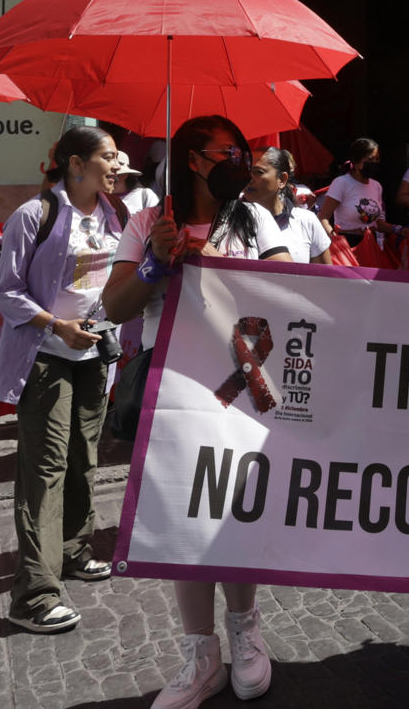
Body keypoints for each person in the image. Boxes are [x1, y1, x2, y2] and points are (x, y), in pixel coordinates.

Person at [103, 116, 293, 705]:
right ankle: (200, 652)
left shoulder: (253, 217)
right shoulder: (146, 220)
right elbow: (115, 304)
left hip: (241, 379)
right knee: (185, 515)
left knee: (236, 506)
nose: (238, 159)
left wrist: (216, 261)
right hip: (175, 385)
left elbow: (289, 281)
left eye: (243, 149)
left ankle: (246, 631)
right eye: (225, 151)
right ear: (192, 159)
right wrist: (158, 263)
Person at [0, 126, 126, 635]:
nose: (115, 167)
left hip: (94, 354)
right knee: (44, 468)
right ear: (75, 164)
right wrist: (57, 326)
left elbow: (121, 278)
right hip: (44, 356)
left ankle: (73, 550)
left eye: (117, 160)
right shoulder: (35, 215)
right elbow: (7, 294)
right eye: (107, 158)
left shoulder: (116, 215)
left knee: (82, 458)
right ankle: (34, 595)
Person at [247, 145, 333, 264]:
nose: (248, 178)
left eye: (258, 172)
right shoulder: (227, 221)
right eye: (245, 171)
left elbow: (325, 277)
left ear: (282, 179)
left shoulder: (307, 221)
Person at [319, 138, 389, 247]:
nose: (375, 163)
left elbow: (377, 223)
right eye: (370, 160)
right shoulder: (341, 183)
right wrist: (336, 240)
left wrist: (398, 229)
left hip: (370, 245)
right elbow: (323, 218)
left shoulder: (377, 186)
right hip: (347, 245)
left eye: (377, 159)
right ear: (357, 163)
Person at [115, 148, 161, 217]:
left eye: (114, 174)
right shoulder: (98, 198)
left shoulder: (144, 195)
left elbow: (155, 220)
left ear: (124, 175)